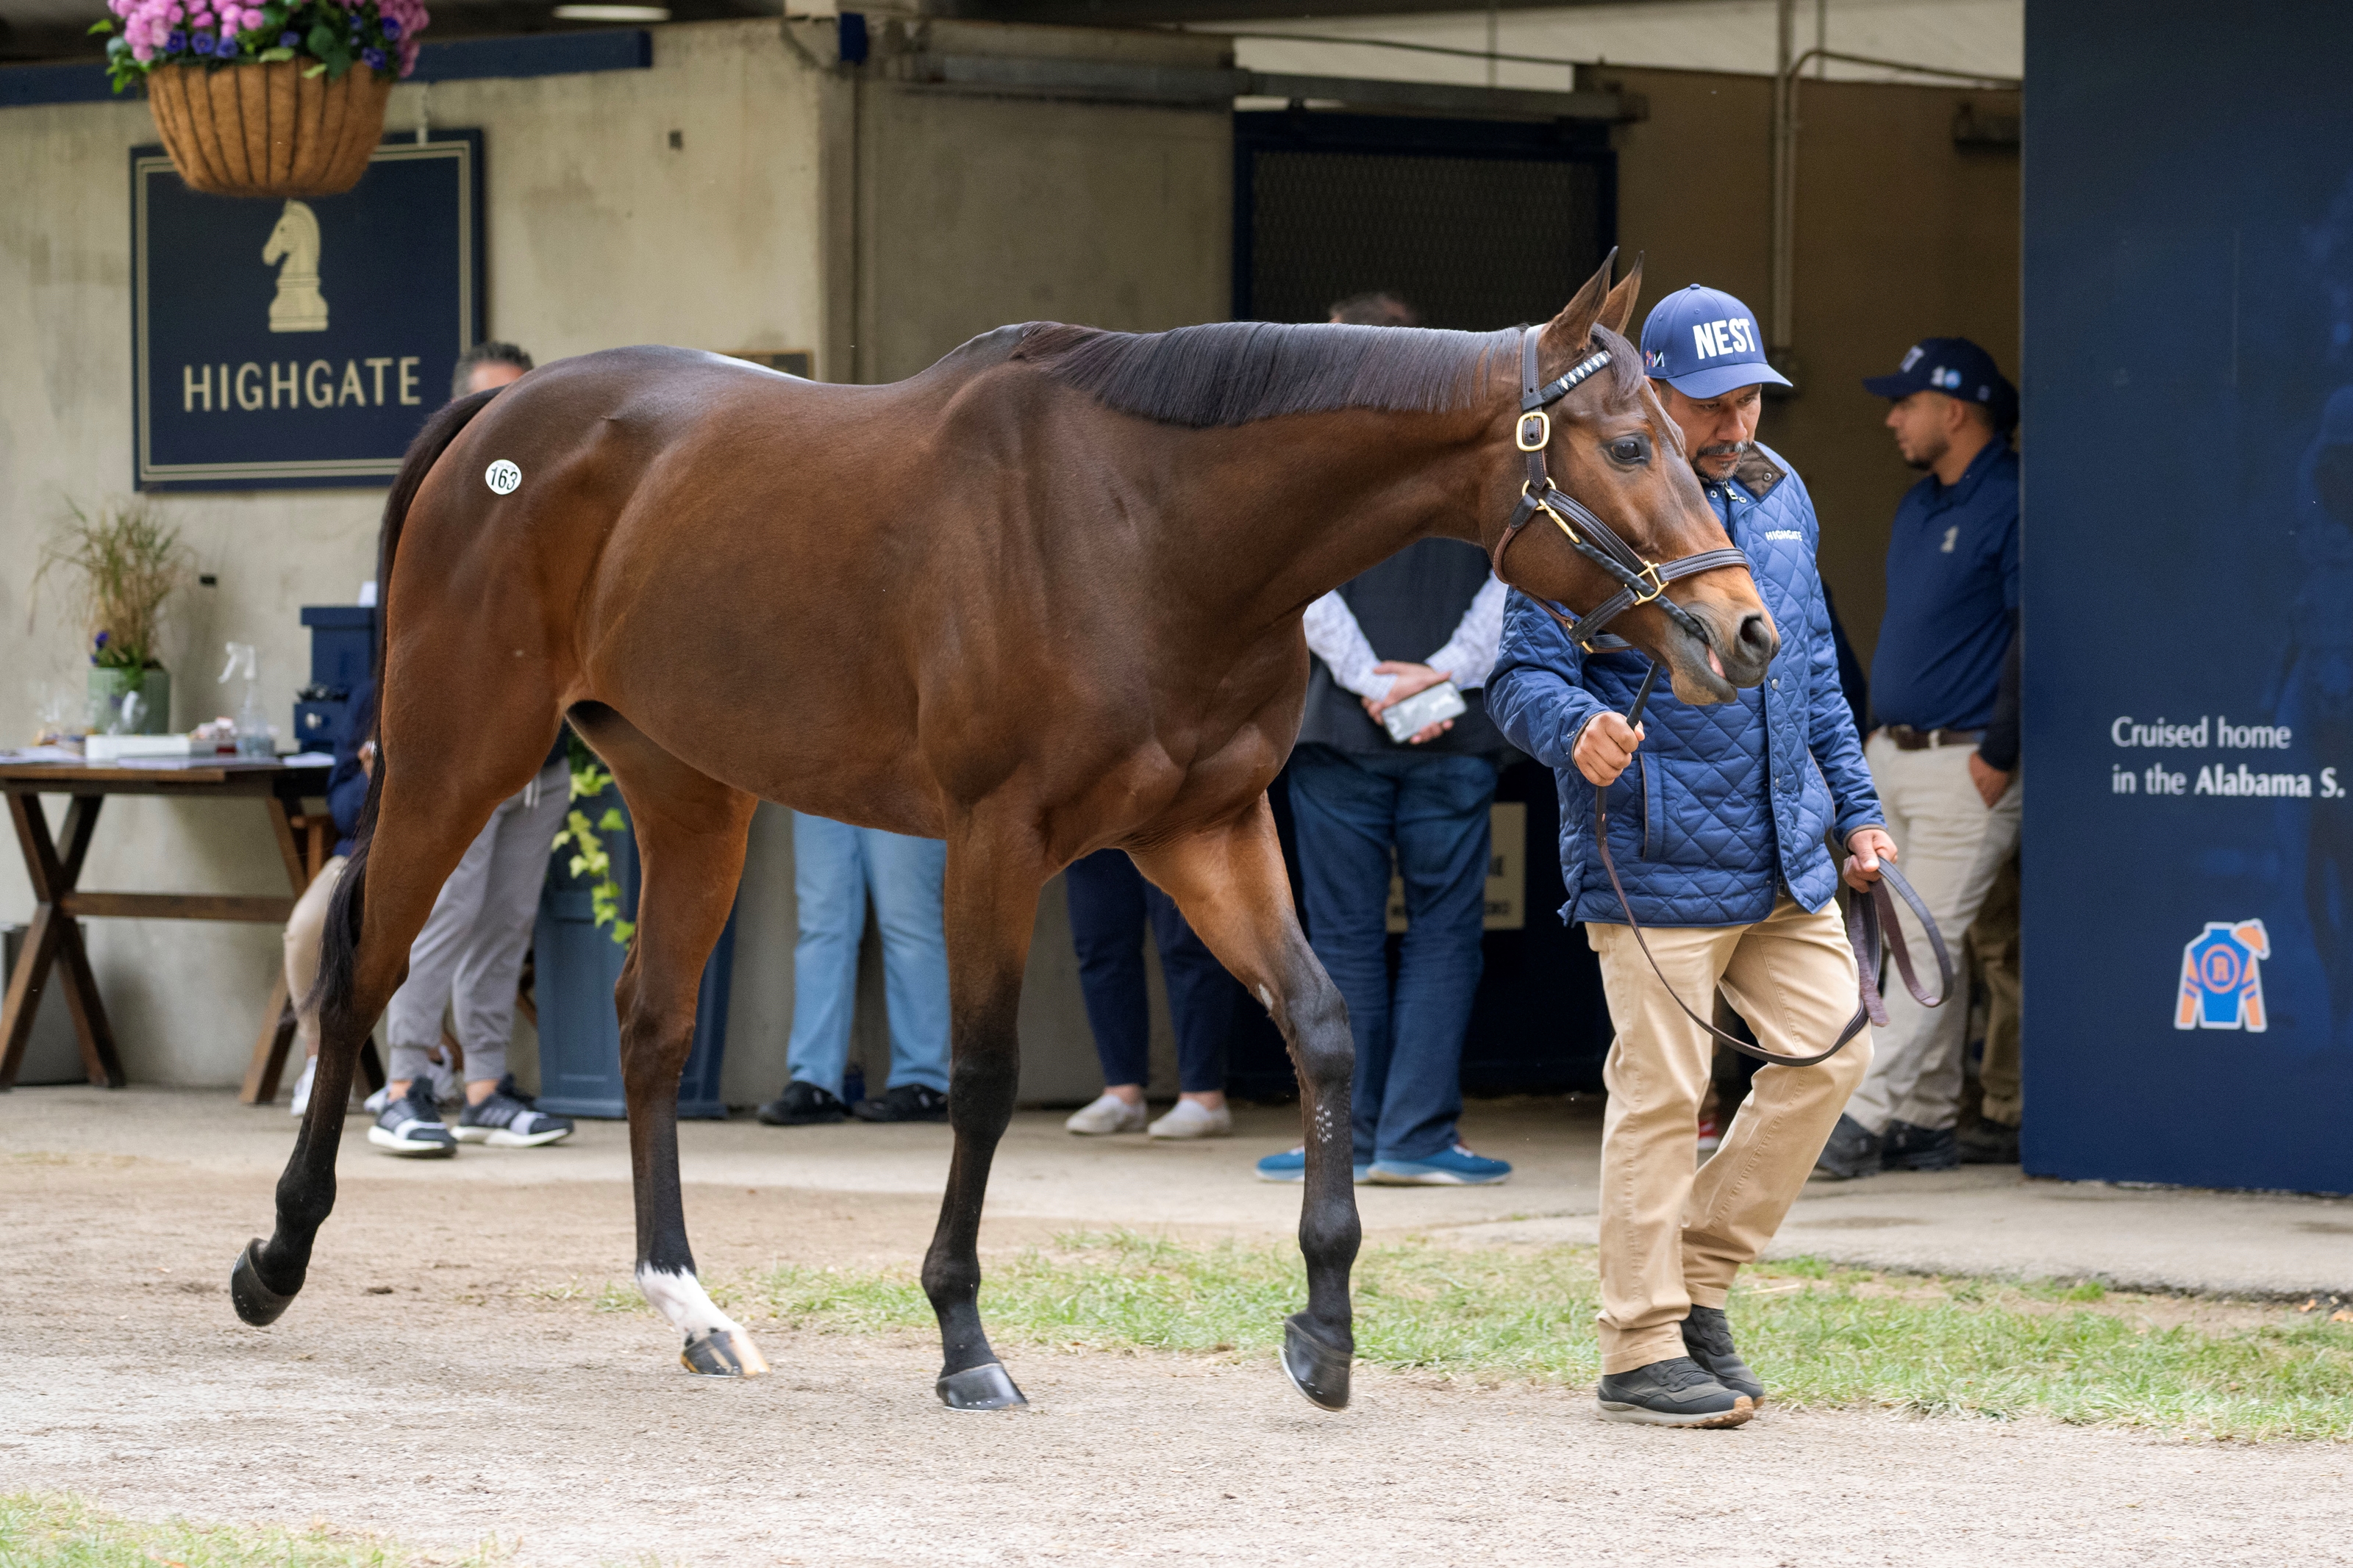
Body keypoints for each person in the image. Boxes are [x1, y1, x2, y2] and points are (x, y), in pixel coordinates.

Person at [1487, 282, 1897, 1427]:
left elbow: (1810, 671)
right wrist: (1577, 730)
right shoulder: (1592, 500)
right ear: (1653, 393)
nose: (1737, 424)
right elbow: (1516, 679)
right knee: (1664, 1094)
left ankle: (1696, 1276)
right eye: (1713, 403)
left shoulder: (1780, 495)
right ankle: (1636, 1343)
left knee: (1832, 1055)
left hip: (1784, 847)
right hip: (1657, 853)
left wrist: (1856, 811)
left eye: (1751, 399)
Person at [1252, 293, 1515, 1188]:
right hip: (1452, 730)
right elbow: (1515, 577)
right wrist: (1439, 674)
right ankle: (1417, 1136)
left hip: (1341, 733)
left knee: (1342, 936)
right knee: (1445, 936)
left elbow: (1300, 586)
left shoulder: (1318, 461)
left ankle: (1344, 1139)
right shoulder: (1482, 456)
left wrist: (1369, 679)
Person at [344, 341, 576, 1156]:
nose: (510, 423)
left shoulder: (539, 500)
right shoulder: (456, 501)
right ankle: (404, 1084)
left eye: (523, 403)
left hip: (540, 762)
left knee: (505, 925)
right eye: (492, 406)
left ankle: (484, 1085)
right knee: (442, 916)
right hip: (464, 760)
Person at [1815, 337, 2021, 1180]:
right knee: (1895, 943)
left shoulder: (2012, 500)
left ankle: (1855, 1114)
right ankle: (1926, 1119)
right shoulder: (1917, 507)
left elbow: (2031, 633)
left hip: (1967, 762)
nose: (1892, 418)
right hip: (1891, 758)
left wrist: (2000, 755)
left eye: (1906, 404)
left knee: (1927, 945)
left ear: (1955, 411)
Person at [753, 815, 951, 1125]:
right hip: (819, 773)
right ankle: (815, 1082)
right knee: (820, 927)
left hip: (902, 771)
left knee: (909, 923)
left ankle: (926, 1082)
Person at [1062, 849, 1246, 1138]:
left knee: (1187, 940)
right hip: (1091, 813)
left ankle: (1204, 1095)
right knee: (1099, 942)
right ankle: (1122, 1092)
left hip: (1169, 812)